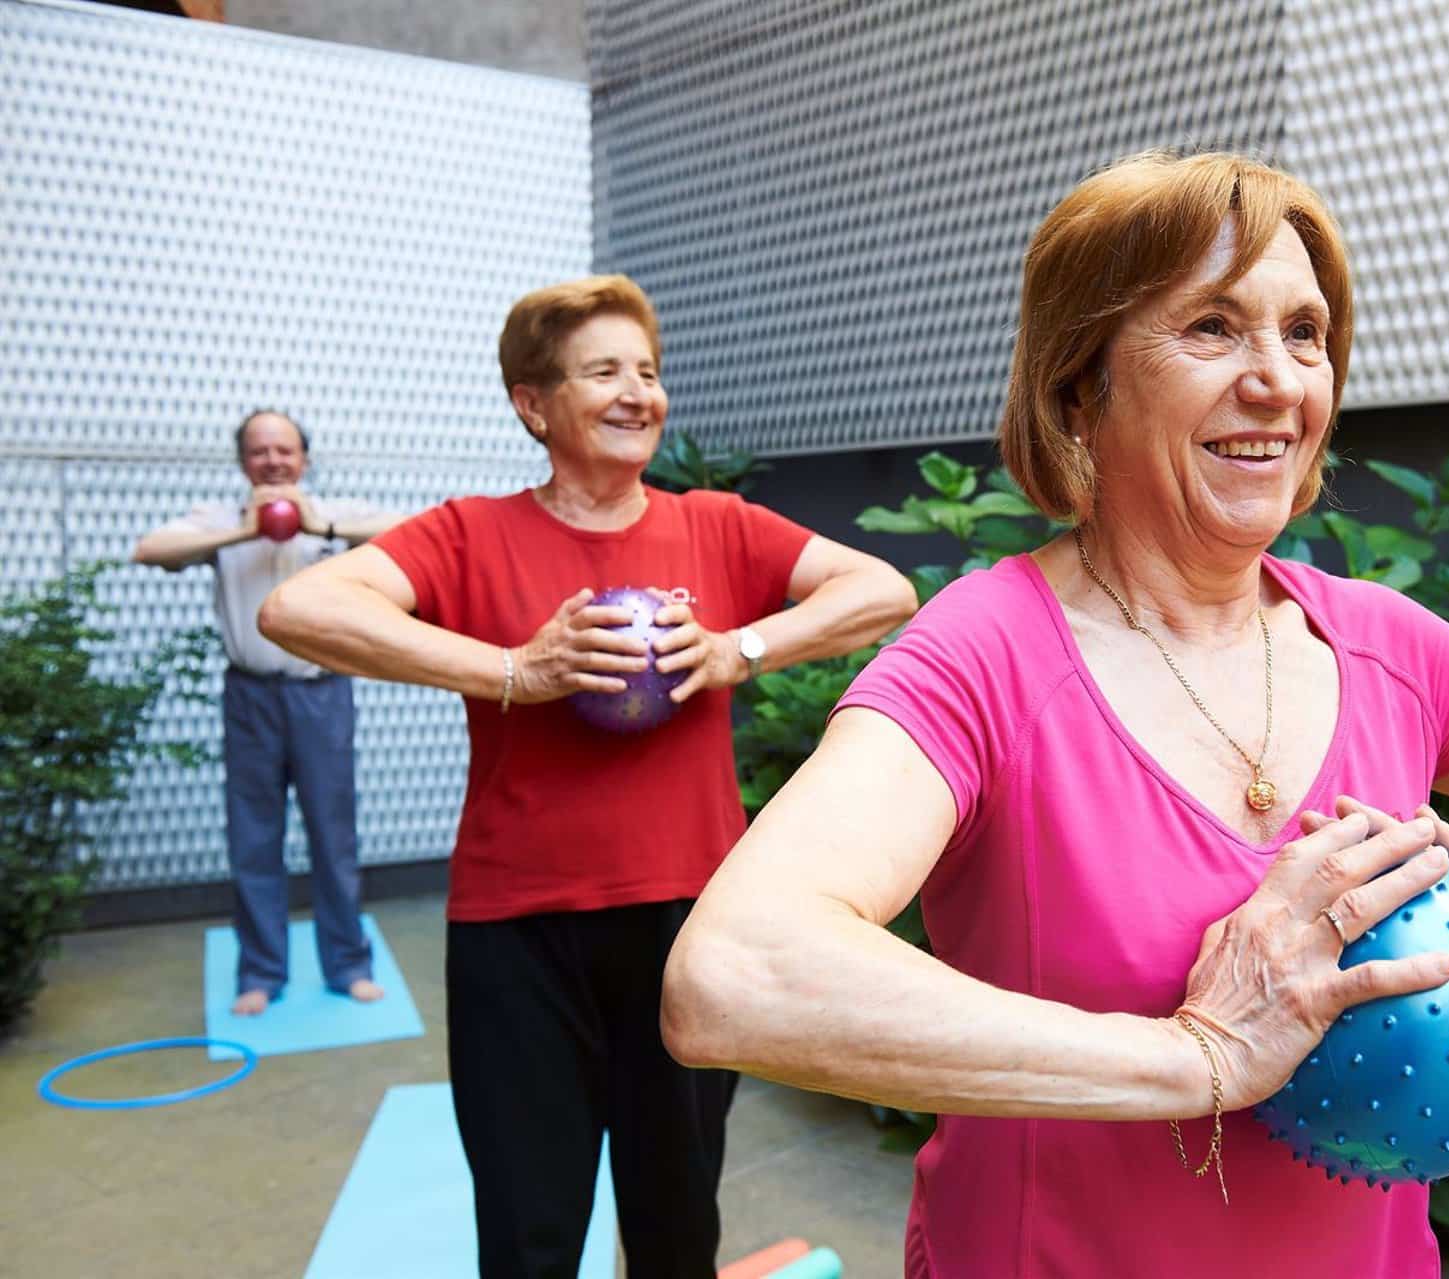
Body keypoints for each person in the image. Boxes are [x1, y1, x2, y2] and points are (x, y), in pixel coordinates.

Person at [659, 151, 1449, 1277]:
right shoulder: (985, 653)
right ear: (1079, 385)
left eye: (1305, 334)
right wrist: (1195, 1057)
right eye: (1211, 327)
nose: (1278, 381)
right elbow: (735, 975)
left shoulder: (1391, 647)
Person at [256, 274, 918, 1279]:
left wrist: (738, 650)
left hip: (691, 925)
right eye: (603, 371)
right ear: (534, 403)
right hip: (517, 936)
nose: (636, 393)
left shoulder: (717, 525)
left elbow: (884, 588)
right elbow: (301, 609)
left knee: (675, 1224)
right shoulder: (468, 531)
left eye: (647, 373)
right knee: (528, 1233)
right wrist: (515, 669)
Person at [133, 410, 401, 1016]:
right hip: (250, 696)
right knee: (253, 835)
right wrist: (243, 533)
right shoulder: (221, 522)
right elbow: (149, 550)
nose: (274, 461)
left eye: (285, 450)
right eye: (260, 452)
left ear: (304, 458)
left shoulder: (333, 517)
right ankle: (260, 972)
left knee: (333, 835)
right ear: (243, 462)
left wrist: (321, 523)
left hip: (321, 695)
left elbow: (411, 532)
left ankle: (348, 965)